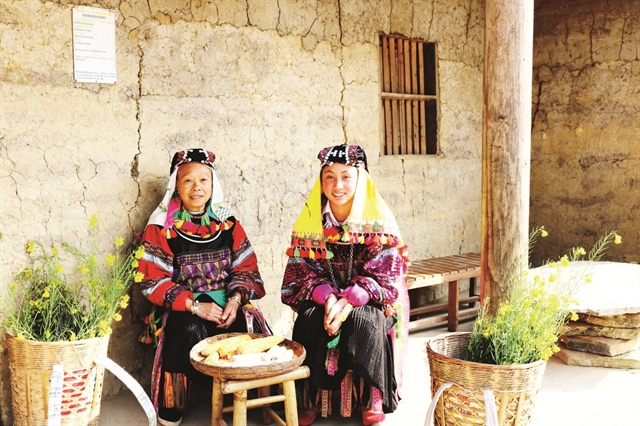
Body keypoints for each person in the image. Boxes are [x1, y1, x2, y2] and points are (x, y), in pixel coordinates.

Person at [137, 148, 271, 426]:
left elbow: (246, 269)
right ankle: (172, 407)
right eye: (187, 181)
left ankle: (243, 399)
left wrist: (234, 300)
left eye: (203, 180)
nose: (196, 187)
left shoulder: (229, 224)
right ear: (176, 185)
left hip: (227, 303)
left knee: (246, 329)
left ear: (213, 184)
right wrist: (196, 306)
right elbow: (152, 281)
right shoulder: (161, 227)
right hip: (185, 306)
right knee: (186, 328)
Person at [281, 144, 410, 426]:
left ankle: (369, 398)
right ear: (321, 180)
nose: (337, 185)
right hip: (324, 298)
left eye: (346, 176)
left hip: (367, 299)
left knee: (364, 321)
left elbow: (386, 276)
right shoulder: (311, 219)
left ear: (361, 178)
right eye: (329, 176)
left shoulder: (379, 220)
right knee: (309, 319)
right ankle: (311, 398)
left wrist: (350, 299)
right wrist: (327, 298)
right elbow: (299, 272)